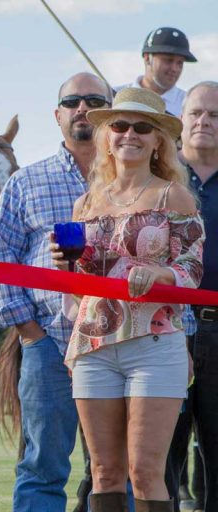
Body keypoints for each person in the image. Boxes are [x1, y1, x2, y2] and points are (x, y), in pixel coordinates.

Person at [54, 87, 204, 512]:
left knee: (145, 471)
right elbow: (85, 280)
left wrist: (160, 273)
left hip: (154, 346)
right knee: (103, 472)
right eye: (119, 125)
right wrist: (66, 261)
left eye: (142, 127)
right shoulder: (85, 203)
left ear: (159, 140)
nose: (128, 134)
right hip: (93, 345)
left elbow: (192, 271)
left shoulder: (172, 196)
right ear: (106, 136)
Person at [0, 71, 113, 512]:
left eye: (94, 100)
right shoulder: (26, 182)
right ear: (57, 115)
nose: (83, 108)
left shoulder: (133, 182)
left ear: (109, 112)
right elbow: (1, 257)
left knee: (115, 470)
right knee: (42, 466)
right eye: (73, 101)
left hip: (120, 344)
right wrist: (28, 332)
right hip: (49, 342)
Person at [173, 81, 218, 511]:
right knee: (160, 462)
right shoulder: (155, 178)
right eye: (196, 114)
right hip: (163, 330)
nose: (204, 121)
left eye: (215, 115)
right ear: (181, 122)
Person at [116, 27, 197, 116]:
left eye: (180, 63)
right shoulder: (114, 96)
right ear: (147, 58)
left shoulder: (191, 104)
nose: (175, 68)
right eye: (168, 60)